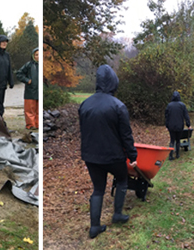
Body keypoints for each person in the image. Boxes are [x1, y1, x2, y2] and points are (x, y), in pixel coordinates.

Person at [78, 64, 137, 239]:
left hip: (91, 155)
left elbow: (84, 131)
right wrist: (133, 156)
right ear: (113, 82)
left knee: (98, 189)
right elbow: (126, 135)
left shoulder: (85, 104)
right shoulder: (118, 106)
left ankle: (94, 227)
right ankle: (117, 214)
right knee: (122, 179)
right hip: (113, 156)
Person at [16, 47, 39, 130]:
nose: (38, 56)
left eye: (40, 55)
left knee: (38, 109)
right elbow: (19, 74)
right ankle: (31, 125)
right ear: (33, 56)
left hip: (39, 91)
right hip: (30, 91)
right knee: (30, 109)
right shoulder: (29, 65)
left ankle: (38, 124)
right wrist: (27, 80)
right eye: (36, 55)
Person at [164, 91, 191, 160]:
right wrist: (188, 125)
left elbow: (166, 116)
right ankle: (178, 154)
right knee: (178, 140)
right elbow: (186, 116)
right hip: (179, 125)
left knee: (172, 140)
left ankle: (170, 155)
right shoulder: (182, 105)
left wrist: (167, 126)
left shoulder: (169, 105)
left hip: (171, 126)